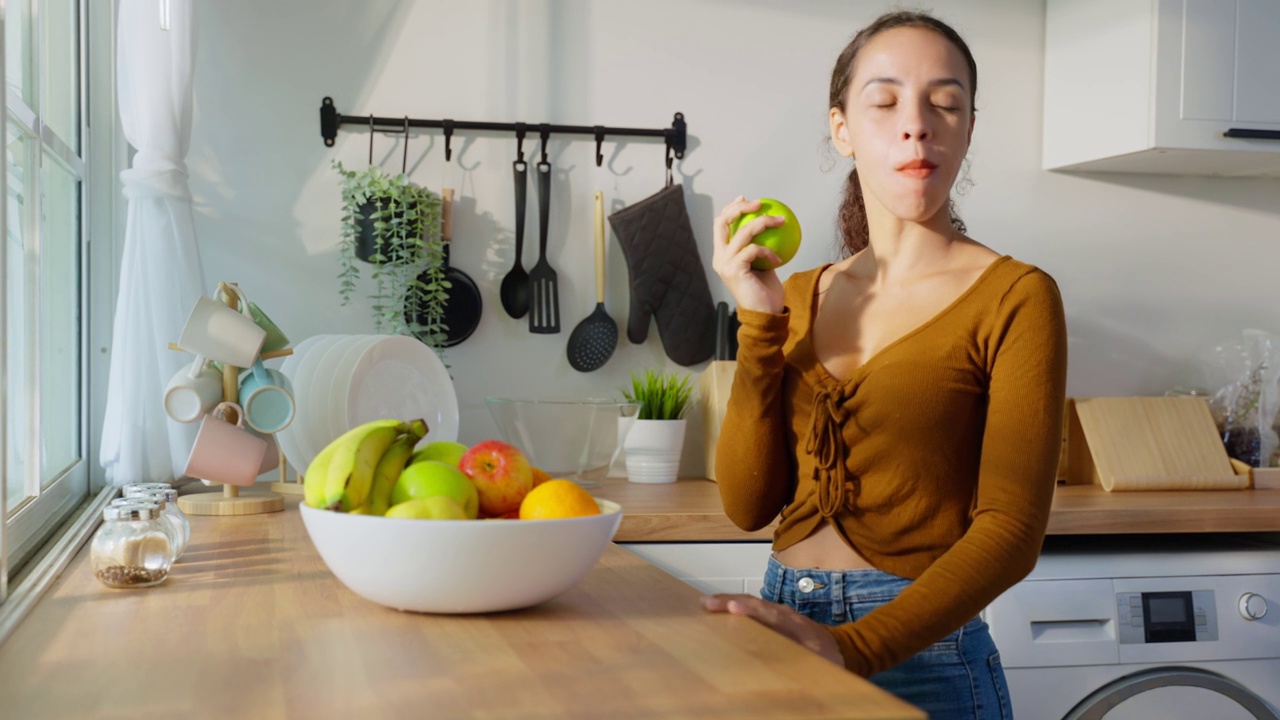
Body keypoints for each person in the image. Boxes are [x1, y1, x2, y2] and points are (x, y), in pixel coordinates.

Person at [701, 10, 1068, 720]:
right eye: (885, 99)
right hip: (783, 627)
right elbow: (747, 505)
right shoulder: (797, 294)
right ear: (841, 128)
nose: (917, 123)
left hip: (924, 656)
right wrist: (758, 318)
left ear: (965, 127)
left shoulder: (1017, 297)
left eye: (946, 101)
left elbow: (1011, 532)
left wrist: (855, 648)